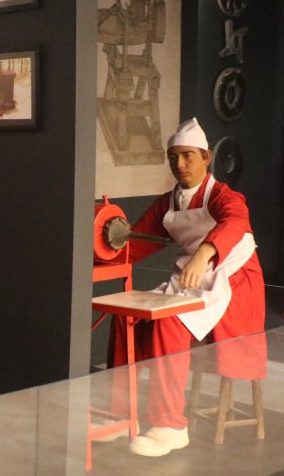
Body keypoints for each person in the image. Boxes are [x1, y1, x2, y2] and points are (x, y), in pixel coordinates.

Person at [109, 117, 267, 457]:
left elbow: (235, 222)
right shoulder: (168, 203)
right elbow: (133, 244)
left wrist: (204, 254)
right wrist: (98, 254)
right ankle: (121, 414)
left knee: (168, 321)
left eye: (188, 156)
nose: (179, 164)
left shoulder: (224, 196)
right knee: (126, 317)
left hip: (231, 280)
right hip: (189, 280)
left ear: (206, 157)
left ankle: (170, 427)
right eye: (173, 157)